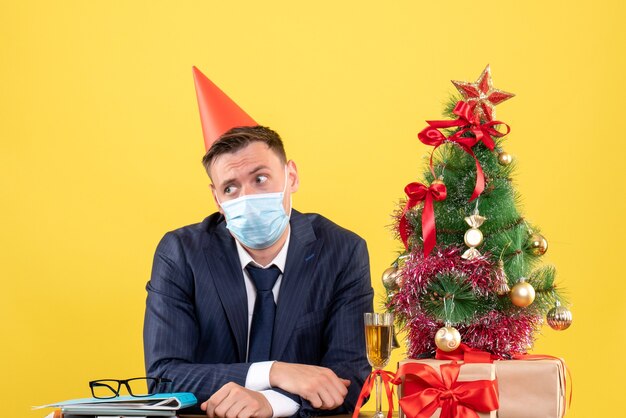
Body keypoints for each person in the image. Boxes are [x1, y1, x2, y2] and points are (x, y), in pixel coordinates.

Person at [143, 67, 373, 418]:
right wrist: (273, 371)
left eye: (261, 178)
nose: (246, 196)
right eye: (230, 187)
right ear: (217, 198)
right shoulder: (181, 254)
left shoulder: (342, 252)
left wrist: (271, 402)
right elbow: (162, 378)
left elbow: (351, 379)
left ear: (291, 177)